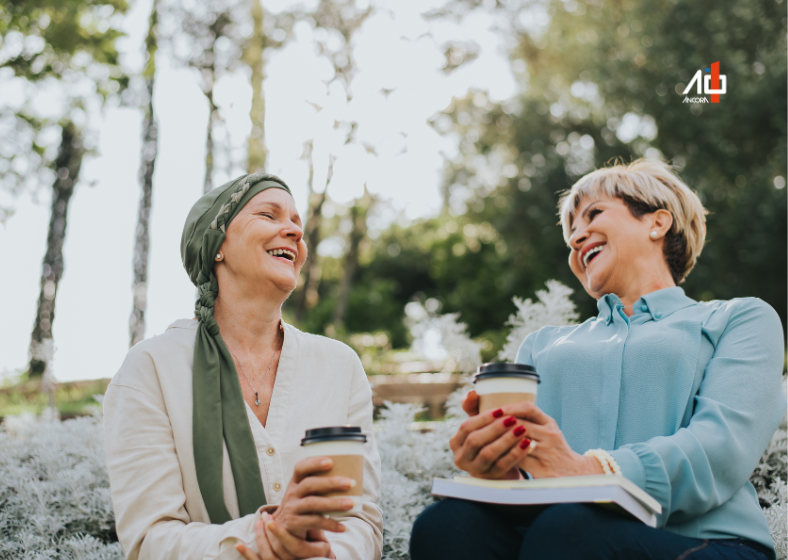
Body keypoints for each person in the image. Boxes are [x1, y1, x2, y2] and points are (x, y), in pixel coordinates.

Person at [410, 159, 786, 560]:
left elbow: (720, 450)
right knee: (446, 524)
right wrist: (501, 465)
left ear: (657, 223)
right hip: (559, 537)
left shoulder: (739, 319)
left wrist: (592, 471)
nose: (576, 238)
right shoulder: (541, 346)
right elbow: (533, 466)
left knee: (571, 531)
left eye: (594, 214)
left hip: (709, 544)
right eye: (571, 231)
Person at [104, 173, 382, 560]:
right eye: (269, 215)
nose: (294, 233)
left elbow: (362, 521)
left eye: (297, 224)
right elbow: (149, 539)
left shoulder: (340, 366)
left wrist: (318, 553)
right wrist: (263, 539)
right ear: (217, 244)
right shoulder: (150, 370)